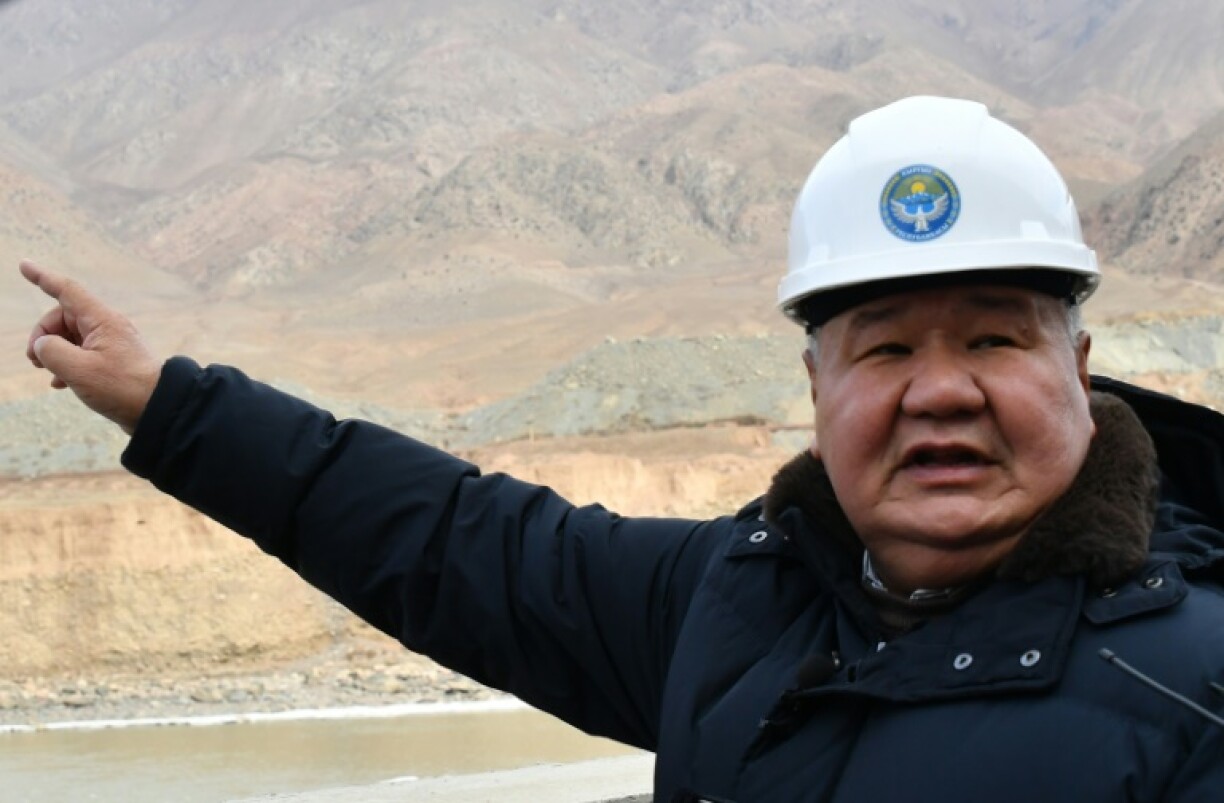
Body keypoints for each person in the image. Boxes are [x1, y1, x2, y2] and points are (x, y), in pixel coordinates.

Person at [20, 96, 1224, 801]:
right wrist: (170, 406)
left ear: (1077, 365)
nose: (939, 392)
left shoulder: (1196, 679)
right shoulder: (738, 602)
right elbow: (453, 541)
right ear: (816, 385)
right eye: (887, 347)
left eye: (994, 337)